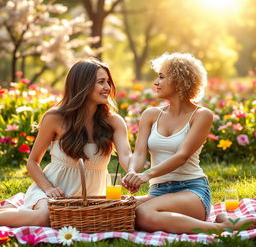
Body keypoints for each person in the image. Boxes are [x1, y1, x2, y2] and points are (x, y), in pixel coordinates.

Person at [122, 52, 256, 233]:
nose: (155, 82)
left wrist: (146, 175)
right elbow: (139, 153)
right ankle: (223, 221)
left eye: (161, 77)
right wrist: (132, 172)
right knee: (121, 209)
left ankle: (220, 227)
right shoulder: (150, 115)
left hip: (191, 190)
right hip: (158, 192)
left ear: (178, 81)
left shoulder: (201, 115)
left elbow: (182, 156)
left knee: (143, 214)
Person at [0, 58, 132, 227]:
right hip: (54, 193)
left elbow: (126, 156)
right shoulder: (54, 118)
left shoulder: (114, 121)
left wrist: (134, 172)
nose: (108, 87)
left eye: (108, 82)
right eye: (101, 82)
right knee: (44, 217)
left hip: (92, 197)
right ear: (83, 85)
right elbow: (32, 162)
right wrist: (48, 189)